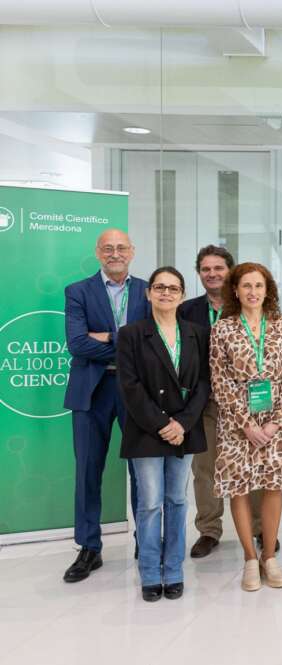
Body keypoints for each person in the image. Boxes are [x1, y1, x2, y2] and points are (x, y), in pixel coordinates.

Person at [117, 267, 210, 601]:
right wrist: (162, 424)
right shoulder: (131, 334)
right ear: (148, 293)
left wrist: (182, 423)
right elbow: (130, 387)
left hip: (183, 429)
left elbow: (203, 383)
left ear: (182, 295)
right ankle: (150, 574)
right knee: (150, 504)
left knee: (177, 500)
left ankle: (173, 570)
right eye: (160, 287)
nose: (166, 293)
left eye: (173, 288)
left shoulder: (197, 333)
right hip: (147, 430)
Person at [63, 228, 149, 583]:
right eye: (108, 248)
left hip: (136, 390)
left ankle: (146, 542)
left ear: (132, 251)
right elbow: (78, 345)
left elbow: (154, 340)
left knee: (142, 471)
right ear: (98, 253)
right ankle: (89, 547)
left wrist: (108, 337)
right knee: (87, 470)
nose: (115, 253)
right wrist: (127, 340)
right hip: (91, 391)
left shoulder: (149, 290)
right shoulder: (77, 291)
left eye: (121, 248)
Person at [210, 262, 282, 591]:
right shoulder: (223, 329)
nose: (252, 292)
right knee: (240, 488)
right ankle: (249, 557)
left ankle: (269, 557)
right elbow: (219, 380)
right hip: (236, 425)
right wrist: (246, 424)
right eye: (246, 286)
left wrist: (275, 423)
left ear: (267, 289)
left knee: (273, 485)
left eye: (258, 286)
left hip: (276, 423)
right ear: (235, 290)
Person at [179, 245, 267, 559]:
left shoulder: (246, 304)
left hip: (247, 404)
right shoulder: (186, 310)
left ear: (230, 271)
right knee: (205, 469)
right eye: (206, 269)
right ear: (199, 273)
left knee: (252, 466)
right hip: (205, 403)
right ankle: (209, 530)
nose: (213, 274)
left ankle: (260, 530)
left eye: (219, 268)